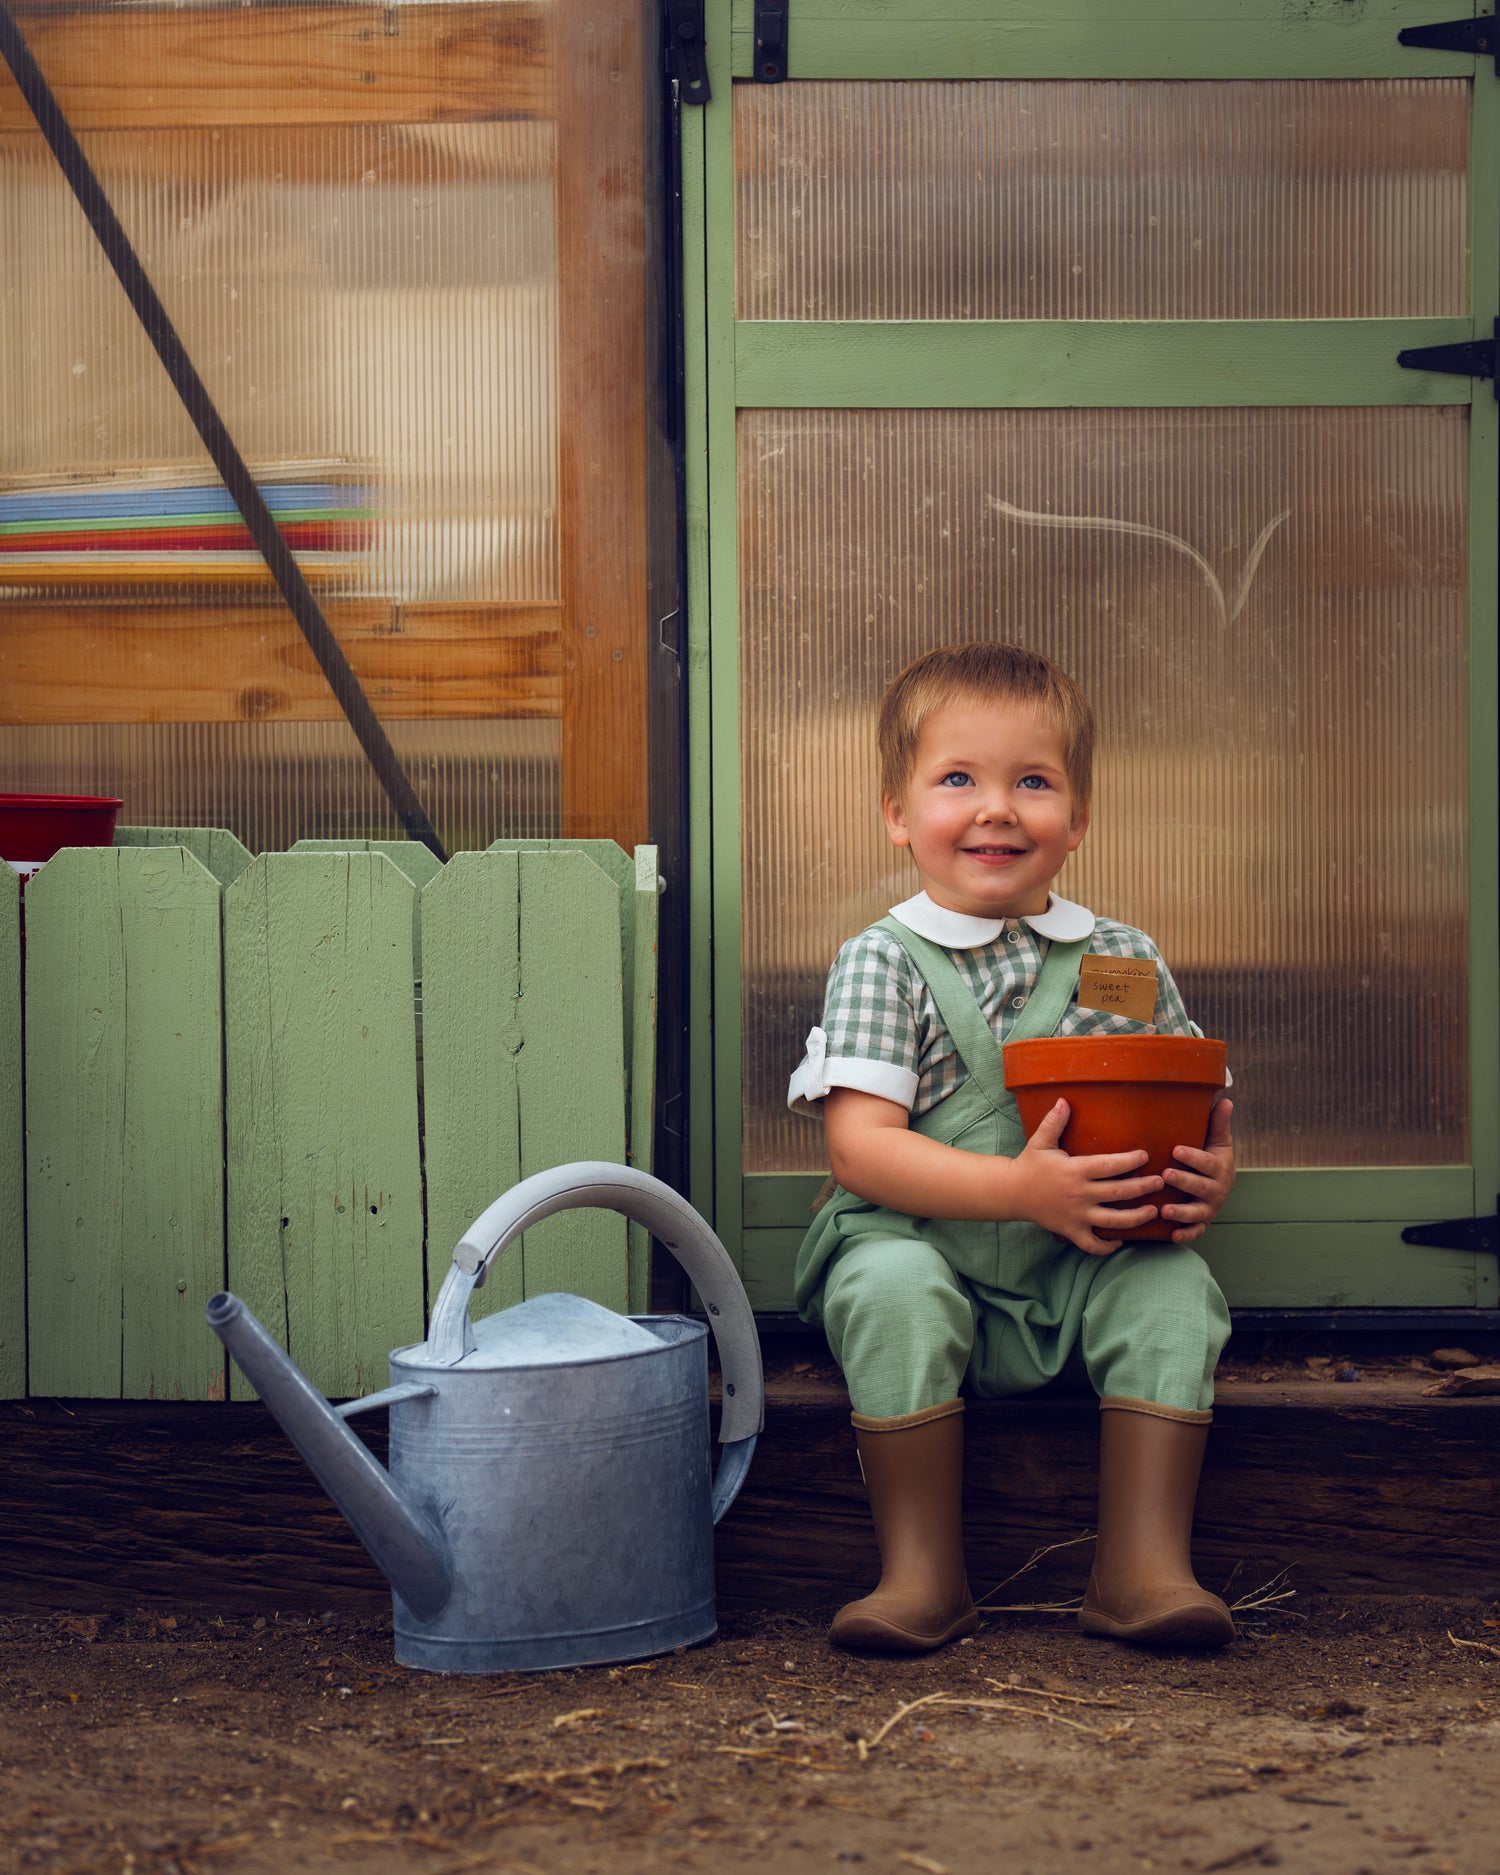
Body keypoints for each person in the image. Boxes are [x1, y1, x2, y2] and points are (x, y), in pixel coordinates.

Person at [787, 641, 1237, 1654]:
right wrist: (1021, 1189)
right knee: (892, 1283)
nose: (996, 809)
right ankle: (920, 1575)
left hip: (1079, 1266)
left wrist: (1208, 1175)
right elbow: (861, 1152)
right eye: (958, 780)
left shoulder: (1121, 960)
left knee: (1175, 1289)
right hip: (922, 1249)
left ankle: (1142, 1569)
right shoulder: (882, 961)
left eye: (1032, 782)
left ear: (1077, 819)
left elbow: (1197, 1108)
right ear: (898, 816)